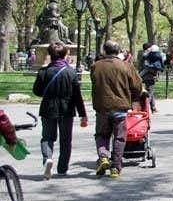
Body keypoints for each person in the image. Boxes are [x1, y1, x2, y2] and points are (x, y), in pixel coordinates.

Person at [32, 41, 88, 179]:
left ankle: (47, 159)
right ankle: (62, 168)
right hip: (66, 109)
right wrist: (83, 115)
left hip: (48, 108)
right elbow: (77, 97)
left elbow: (37, 91)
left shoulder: (43, 72)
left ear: (50, 54)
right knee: (65, 140)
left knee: (47, 137)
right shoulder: (71, 73)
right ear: (65, 54)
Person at [90, 40, 144, 178]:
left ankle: (103, 157)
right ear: (118, 51)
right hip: (120, 107)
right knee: (119, 138)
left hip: (102, 106)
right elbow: (137, 85)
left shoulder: (96, 66)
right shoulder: (126, 66)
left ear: (104, 51)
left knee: (102, 135)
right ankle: (115, 166)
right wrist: (134, 98)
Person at [139, 44, 166, 112]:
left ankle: (153, 107)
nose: (151, 49)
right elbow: (147, 66)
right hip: (148, 76)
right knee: (150, 92)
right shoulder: (146, 55)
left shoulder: (145, 54)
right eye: (150, 48)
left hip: (145, 75)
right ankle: (145, 108)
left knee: (151, 91)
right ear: (147, 48)